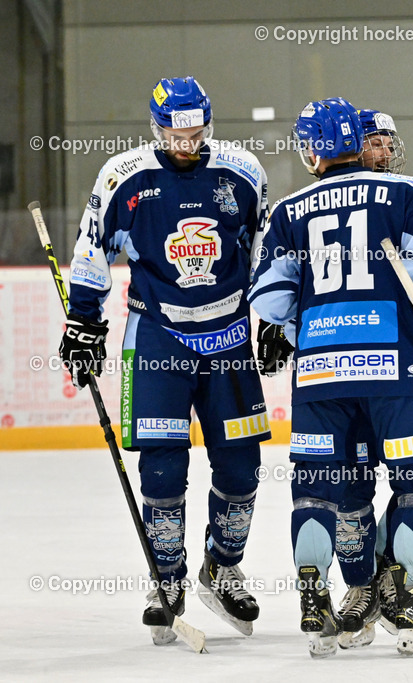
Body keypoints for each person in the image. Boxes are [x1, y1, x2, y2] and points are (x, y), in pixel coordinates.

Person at [249, 97, 413, 657]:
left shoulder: (288, 210)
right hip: (395, 371)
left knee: (318, 488)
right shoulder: (405, 193)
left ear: (311, 149)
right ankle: (411, 602)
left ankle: (314, 596)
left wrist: (305, 314)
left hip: (321, 375)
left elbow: (271, 298)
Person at [60, 76, 269, 645]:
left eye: (195, 131)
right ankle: (167, 579)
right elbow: (90, 247)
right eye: (175, 132)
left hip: (228, 337)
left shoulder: (244, 173)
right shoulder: (122, 177)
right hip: (157, 337)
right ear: (156, 127)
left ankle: (222, 566)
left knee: (242, 465)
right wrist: (84, 320)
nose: (186, 142)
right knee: (162, 466)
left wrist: (274, 318)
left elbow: (266, 254)